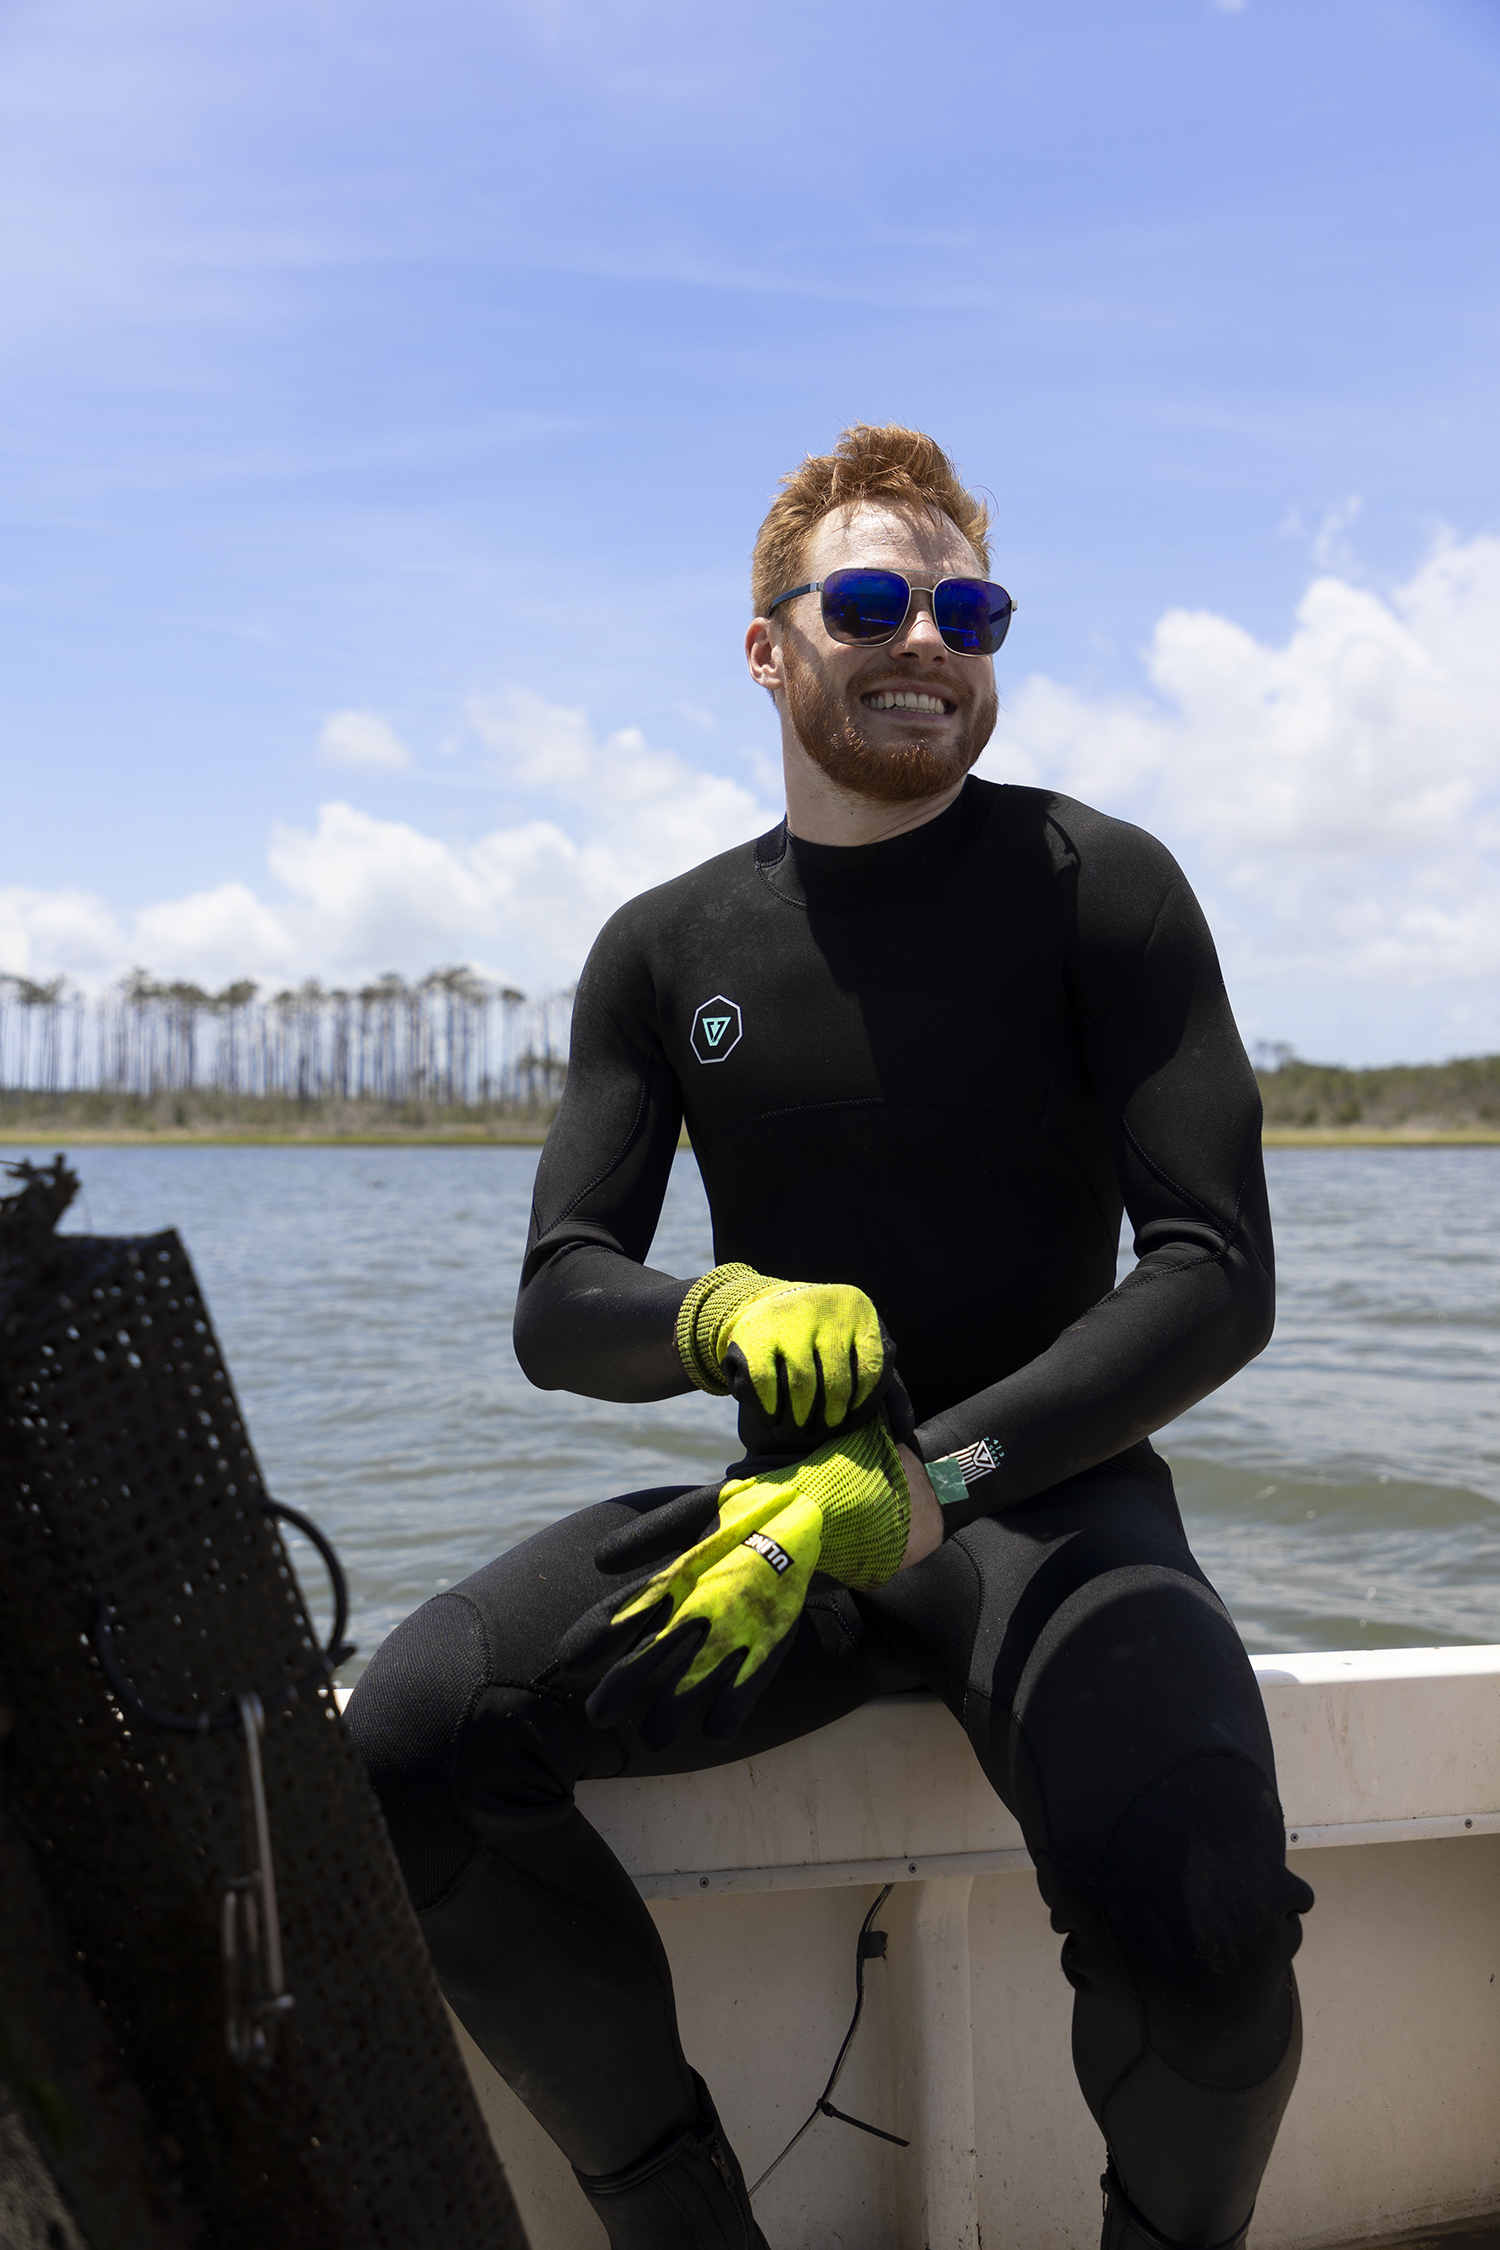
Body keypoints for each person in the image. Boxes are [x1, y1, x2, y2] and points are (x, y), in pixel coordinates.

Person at [347, 423, 1313, 2250]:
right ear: (769, 645)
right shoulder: (663, 946)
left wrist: (927, 1480)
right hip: (779, 1532)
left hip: (1054, 1513)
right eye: (872, 599)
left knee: (1211, 1935)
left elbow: (1212, 1269)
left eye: (968, 604)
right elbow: (563, 1294)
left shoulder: (1101, 887)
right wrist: (718, 1309)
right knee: (414, 1737)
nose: (927, 636)